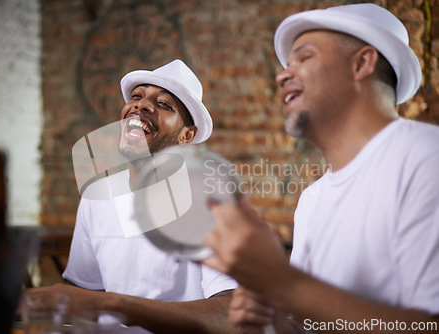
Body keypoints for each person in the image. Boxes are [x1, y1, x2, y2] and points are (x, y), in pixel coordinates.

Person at [202, 3, 439, 333]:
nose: (282, 74)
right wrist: (272, 320)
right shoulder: (312, 200)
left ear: (362, 63)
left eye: (304, 57)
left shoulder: (427, 157)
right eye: (287, 64)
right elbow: (311, 324)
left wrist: (282, 283)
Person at [25, 59, 238, 334]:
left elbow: (230, 314)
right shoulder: (96, 196)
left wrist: (114, 305)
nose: (141, 104)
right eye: (137, 96)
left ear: (187, 136)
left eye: (163, 104)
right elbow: (86, 292)